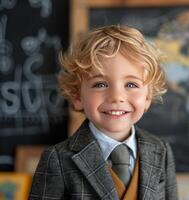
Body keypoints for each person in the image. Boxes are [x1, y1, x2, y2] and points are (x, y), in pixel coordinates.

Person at [29, 25, 178, 200]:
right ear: (77, 96)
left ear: (147, 98)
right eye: (100, 84)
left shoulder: (161, 150)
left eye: (131, 85)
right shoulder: (57, 159)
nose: (116, 97)